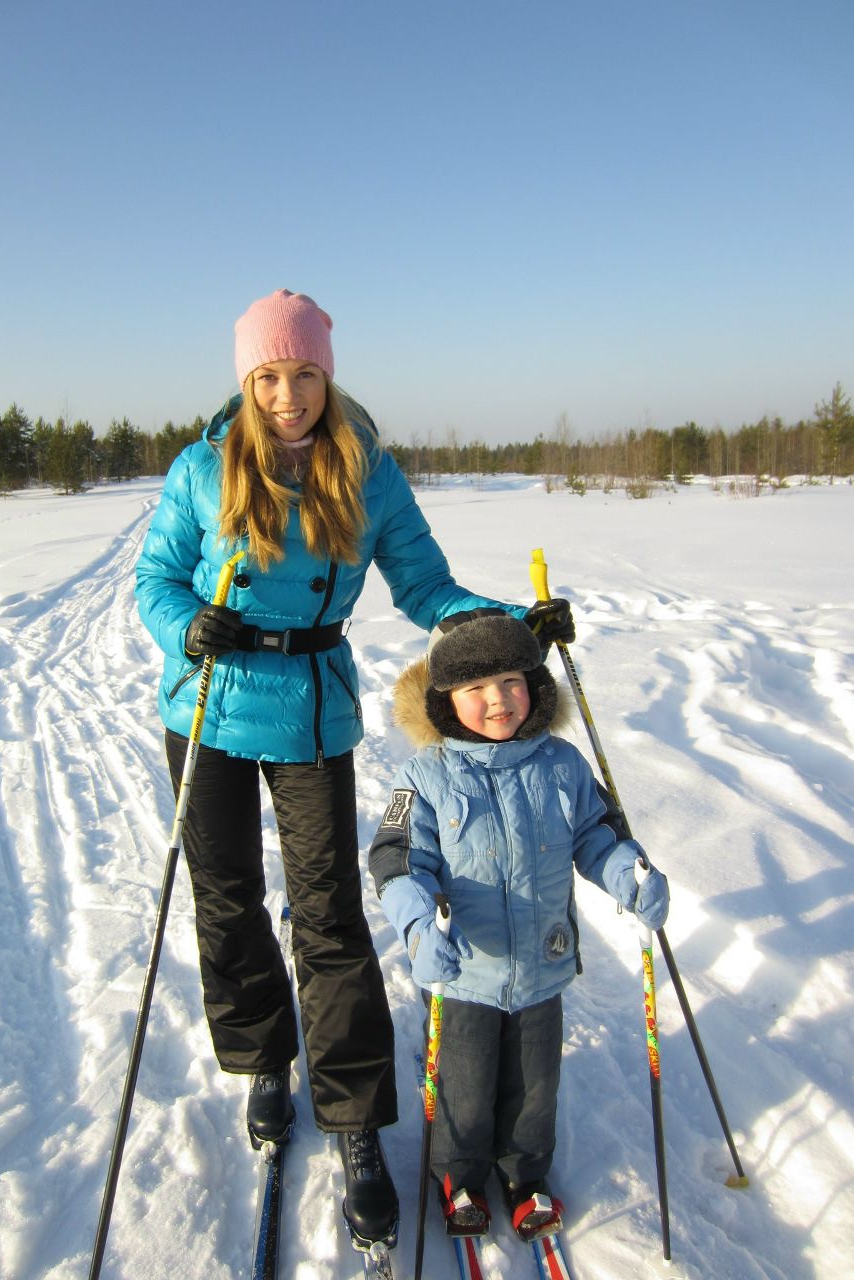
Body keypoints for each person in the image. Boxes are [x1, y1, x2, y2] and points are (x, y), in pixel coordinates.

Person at [134, 288, 575, 1248]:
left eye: (303, 375)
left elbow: (424, 584)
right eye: (268, 377)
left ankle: (355, 1123)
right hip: (206, 705)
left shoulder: (367, 472)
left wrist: (507, 623)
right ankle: (263, 1058)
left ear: (327, 375)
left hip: (310, 707)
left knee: (329, 913)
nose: (287, 395)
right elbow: (155, 579)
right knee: (227, 897)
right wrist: (185, 625)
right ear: (246, 381)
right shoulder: (203, 468)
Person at [368, 608, 669, 1240]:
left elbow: (597, 834)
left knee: (536, 1086)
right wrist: (418, 925)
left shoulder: (561, 763)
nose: (497, 700)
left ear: (534, 686)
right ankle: (459, 1175)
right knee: (467, 1082)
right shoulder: (426, 776)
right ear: (446, 699)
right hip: (466, 969)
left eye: (510, 681)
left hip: (542, 963)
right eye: (475, 689)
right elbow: (397, 860)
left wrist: (628, 874)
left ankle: (526, 1174)